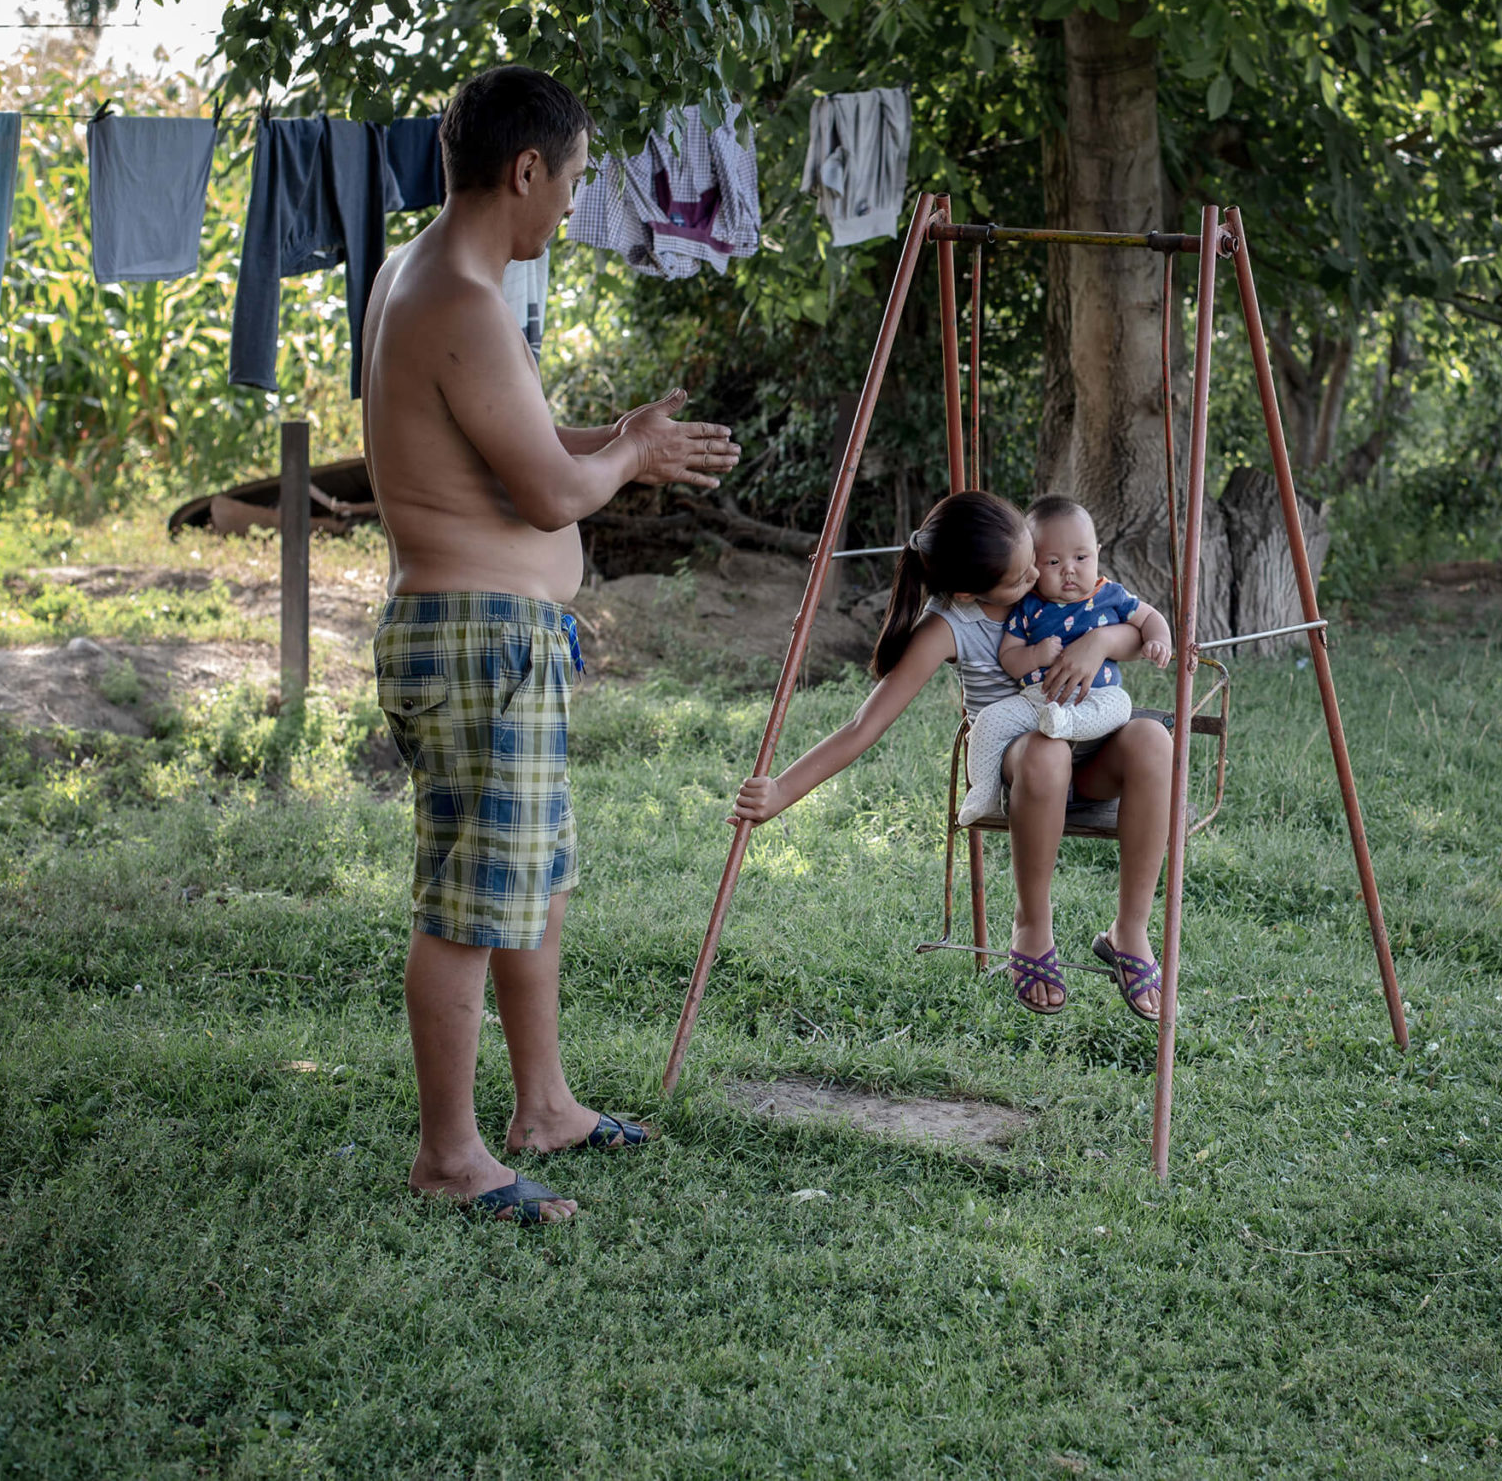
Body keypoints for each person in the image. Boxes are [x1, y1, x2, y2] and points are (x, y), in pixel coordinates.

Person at [362, 65, 741, 1226]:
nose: (573, 206)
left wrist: (617, 435)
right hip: (480, 640)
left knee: (533, 883)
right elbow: (544, 492)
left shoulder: (432, 275)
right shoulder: (461, 299)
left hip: (502, 639)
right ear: (525, 170)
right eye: (573, 179)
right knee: (469, 902)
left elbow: (510, 439)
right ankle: (451, 1155)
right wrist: (624, 463)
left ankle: (545, 1105)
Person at [730, 491, 1175, 1022]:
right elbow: (863, 725)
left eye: (1038, 559)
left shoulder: (1052, 571)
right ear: (970, 589)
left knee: (1153, 739)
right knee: (1045, 752)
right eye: (1023, 574)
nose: (1039, 576)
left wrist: (1099, 642)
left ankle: (1131, 927)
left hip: (1097, 753)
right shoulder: (950, 625)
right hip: (1026, 765)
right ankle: (1033, 923)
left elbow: (1132, 624)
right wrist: (781, 791)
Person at [953, 494, 1172, 826]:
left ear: (1098, 552)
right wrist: (1035, 655)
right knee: (990, 722)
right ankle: (983, 790)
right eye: (1053, 562)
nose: (1069, 570)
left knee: (1120, 705)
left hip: (1096, 697)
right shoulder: (1029, 606)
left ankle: (1066, 724)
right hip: (1039, 701)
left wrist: (1159, 639)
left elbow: (1149, 617)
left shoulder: (1109, 594)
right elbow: (1009, 658)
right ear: (1032, 566)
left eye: (1081, 557)